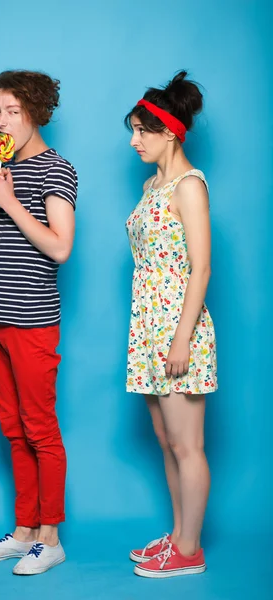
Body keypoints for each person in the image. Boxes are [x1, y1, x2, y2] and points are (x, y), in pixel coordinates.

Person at [0, 70, 78, 576]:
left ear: (37, 113)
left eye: (13, 110)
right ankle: (24, 532)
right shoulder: (2, 167)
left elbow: (60, 247)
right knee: (13, 431)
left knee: (40, 430)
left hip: (33, 321)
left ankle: (50, 539)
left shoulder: (57, 170)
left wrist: (11, 200)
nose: (3, 119)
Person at [125, 71, 218, 578]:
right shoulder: (150, 185)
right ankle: (181, 536)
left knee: (188, 444)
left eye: (142, 130)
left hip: (179, 332)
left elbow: (201, 268)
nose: (134, 140)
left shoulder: (189, 185)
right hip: (148, 331)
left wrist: (181, 339)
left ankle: (189, 551)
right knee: (167, 443)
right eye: (133, 130)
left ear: (169, 132)